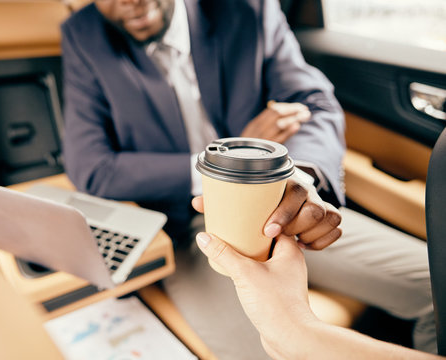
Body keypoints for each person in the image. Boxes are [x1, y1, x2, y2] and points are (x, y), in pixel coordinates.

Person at [61, 0, 436, 357]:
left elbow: (314, 104)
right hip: (188, 230)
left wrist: (297, 174)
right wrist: (232, 167)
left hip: (276, 202)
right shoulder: (83, 34)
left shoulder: (246, 8)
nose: (129, 1)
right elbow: (92, 168)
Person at [192, 196, 443, 360]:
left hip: (274, 203)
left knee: (439, 286)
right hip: (180, 220)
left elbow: (320, 114)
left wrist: (296, 333)